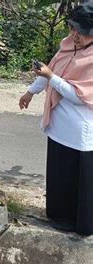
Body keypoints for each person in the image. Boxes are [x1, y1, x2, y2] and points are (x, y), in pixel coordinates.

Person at [18, 2, 93, 236]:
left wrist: (51, 77)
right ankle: (58, 216)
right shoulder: (67, 46)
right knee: (60, 175)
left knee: (79, 183)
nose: (74, 35)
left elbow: (79, 96)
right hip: (60, 128)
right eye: (72, 28)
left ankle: (79, 225)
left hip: (80, 131)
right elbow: (49, 71)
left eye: (80, 31)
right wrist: (30, 91)